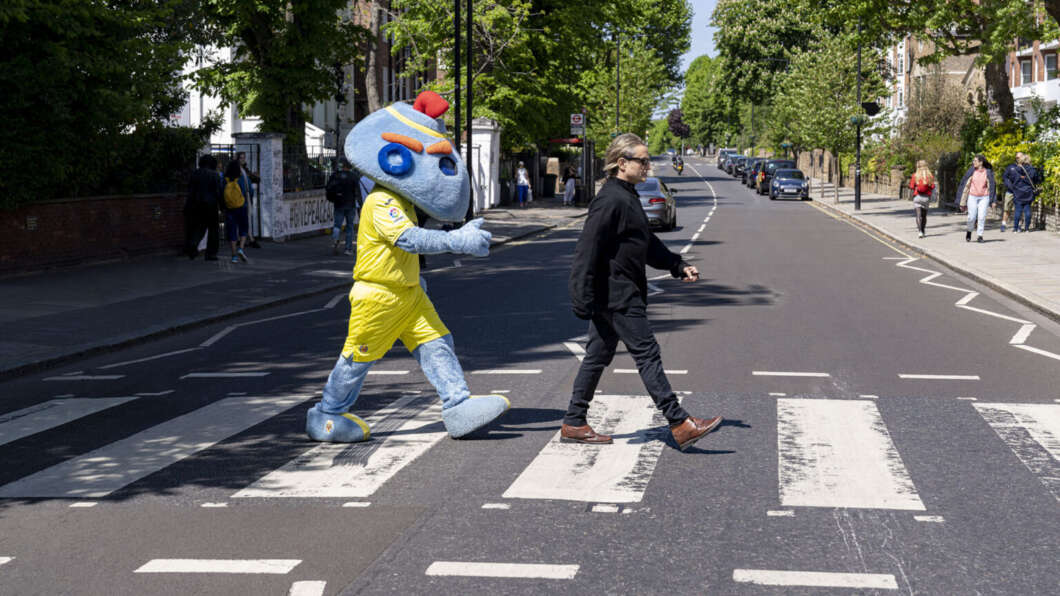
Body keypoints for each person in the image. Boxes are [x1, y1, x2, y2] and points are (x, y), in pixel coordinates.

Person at [564, 133, 722, 451]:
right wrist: (580, 296)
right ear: (622, 163)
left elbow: (646, 243)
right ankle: (679, 423)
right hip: (617, 294)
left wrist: (677, 265)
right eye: (643, 161)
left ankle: (574, 421)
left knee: (596, 356)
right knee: (647, 353)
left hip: (618, 292)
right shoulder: (610, 200)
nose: (648, 166)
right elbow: (587, 249)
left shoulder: (627, 196)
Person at [184, 154, 222, 261]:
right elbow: (218, 192)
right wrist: (222, 206)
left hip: (197, 205)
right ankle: (211, 253)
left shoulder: (195, 174)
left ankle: (193, 245)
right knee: (213, 230)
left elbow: (190, 191)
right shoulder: (215, 175)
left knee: (199, 227)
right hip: (211, 206)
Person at [326, 158, 363, 255]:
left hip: (338, 204)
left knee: (337, 225)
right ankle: (348, 249)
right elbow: (358, 192)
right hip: (350, 204)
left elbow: (328, 188)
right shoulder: (353, 176)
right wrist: (361, 204)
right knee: (350, 227)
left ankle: (335, 241)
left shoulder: (335, 175)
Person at [956, 154, 996, 243]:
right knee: (972, 217)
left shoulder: (988, 172)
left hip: (984, 197)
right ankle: (969, 230)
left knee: (981, 217)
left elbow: (993, 186)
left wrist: (993, 200)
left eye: (975, 161)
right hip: (972, 196)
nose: (973, 162)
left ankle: (980, 235)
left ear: (981, 162)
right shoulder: (971, 171)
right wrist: (961, 201)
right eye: (973, 161)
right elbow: (963, 185)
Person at [1003, 152, 1042, 233]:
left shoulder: (1016, 169)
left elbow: (1013, 180)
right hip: (1028, 192)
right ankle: (1027, 228)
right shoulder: (1033, 170)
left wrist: (1013, 187)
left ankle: (1015, 228)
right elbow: (1037, 180)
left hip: (1018, 192)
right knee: (1027, 210)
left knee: (1018, 210)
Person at [223, 160, 251, 263]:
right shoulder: (241, 178)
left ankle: (234, 256)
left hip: (230, 208)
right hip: (242, 206)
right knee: (243, 228)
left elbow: (221, 192)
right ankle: (241, 249)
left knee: (232, 230)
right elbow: (249, 190)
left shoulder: (224, 179)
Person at [236, 152, 263, 249]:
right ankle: (250, 239)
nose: (243, 160)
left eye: (244, 158)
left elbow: (254, 179)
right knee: (244, 218)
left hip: (246, 196)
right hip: (241, 196)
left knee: (245, 218)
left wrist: (255, 176)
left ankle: (245, 238)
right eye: (241, 158)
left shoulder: (244, 169)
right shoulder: (237, 170)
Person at [908, 160, 935, 238]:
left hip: (917, 197)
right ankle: (923, 231)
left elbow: (911, 186)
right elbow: (932, 186)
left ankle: (920, 232)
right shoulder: (930, 176)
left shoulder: (915, 175)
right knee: (924, 216)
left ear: (918, 166)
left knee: (918, 215)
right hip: (926, 198)